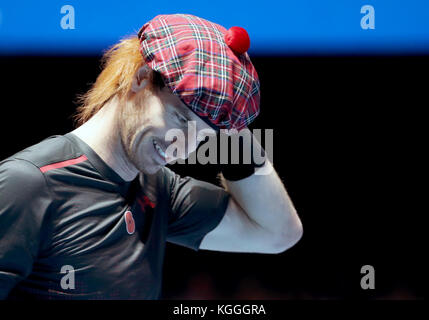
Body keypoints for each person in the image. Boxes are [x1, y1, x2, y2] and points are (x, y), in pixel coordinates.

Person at [0, 13, 302, 299]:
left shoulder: (159, 191)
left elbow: (278, 233)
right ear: (141, 78)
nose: (182, 149)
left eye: (204, 136)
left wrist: (233, 125)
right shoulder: (27, 183)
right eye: (181, 120)